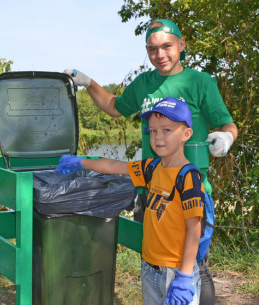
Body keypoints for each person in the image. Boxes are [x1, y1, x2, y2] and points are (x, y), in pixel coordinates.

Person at [65, 19, 238, 304]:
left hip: (189, 189)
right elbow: (113, 107)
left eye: (167, 46)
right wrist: (89, 83)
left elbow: (228, 124)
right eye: (152, 49)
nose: (160, 55)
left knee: (195, 266)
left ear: (181, 45)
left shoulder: (199, 82)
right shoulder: (144, 84)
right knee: (154, 259)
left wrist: (225, 139)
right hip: (152, 186)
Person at [57, 97, 203, 305]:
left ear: (186, 134)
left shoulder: (189, 178)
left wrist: (186, 276)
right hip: (150, 267)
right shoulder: (151, 168)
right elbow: (113, 166)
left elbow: (194, 229)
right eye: (152, 131)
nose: (158, 137)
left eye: (167, 130)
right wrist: (80, 162)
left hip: (177, 271)